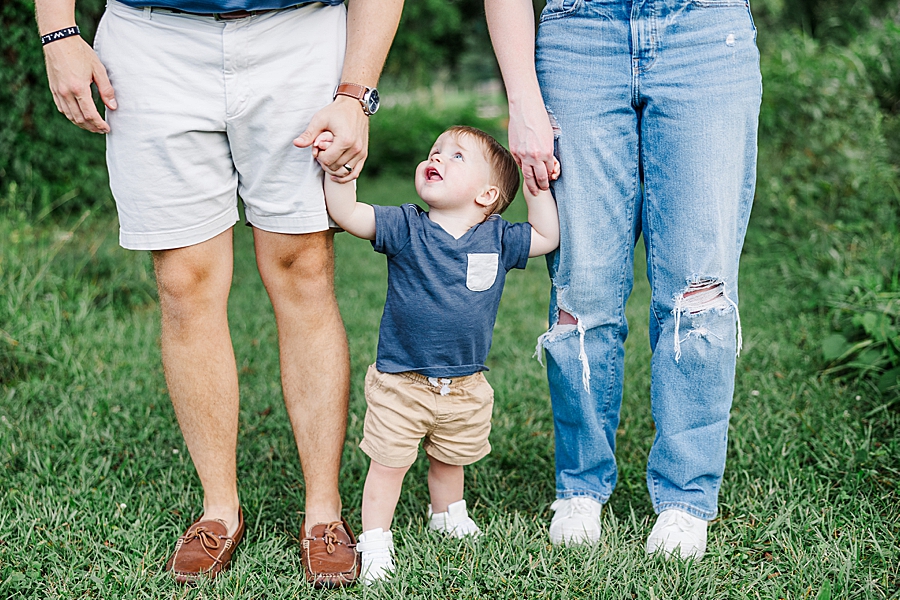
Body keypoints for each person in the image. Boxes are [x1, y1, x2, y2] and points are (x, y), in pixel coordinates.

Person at [35, 0, 403, 586]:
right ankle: (219, 509)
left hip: (300, 35)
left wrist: (356, 93)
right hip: (152, 41)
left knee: (304, 269)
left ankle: (324, 513)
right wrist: (58, 32)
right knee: (183, 281)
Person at [485, 0, 762, 559]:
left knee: (698, 291)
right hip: (578, 37)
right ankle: (580, 487)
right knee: (581, 288)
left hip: (705, 33)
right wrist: (522, 97)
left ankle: (686, 497)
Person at [315, 125, 559, 583]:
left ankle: (447, 514)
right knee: (389, 464)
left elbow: (547, 236)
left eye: (457, 156)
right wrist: (341, 175)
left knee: (452, 456)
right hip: (402, 381)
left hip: (465, 382)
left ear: (487, 195)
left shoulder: (498, 238)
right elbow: (347, 214)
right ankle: (376, 539)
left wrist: (536, 187)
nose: (439, 157)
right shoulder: (405, 227)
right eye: (435, 151)